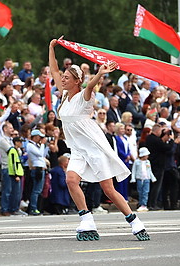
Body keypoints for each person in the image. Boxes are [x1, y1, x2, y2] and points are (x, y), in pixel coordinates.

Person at [49, 37, 149, 241]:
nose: (63, 79)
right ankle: (87, 221)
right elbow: (54, 70)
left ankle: (135, 222)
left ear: (77, 81)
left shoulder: (84, 97)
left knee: (108, 189)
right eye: (64, 76)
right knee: (71, 179)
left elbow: (89, 86)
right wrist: (52, 48)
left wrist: (100, 73)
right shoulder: (64, 96)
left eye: (68, 77)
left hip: (94, 147)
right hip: (77, 149)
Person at [131, 147, 156, 212]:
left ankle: (144, 204)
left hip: (146, 179)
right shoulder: (137, 162)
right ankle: (141, 204)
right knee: (140, 192)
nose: (147, 156)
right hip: (139, 179)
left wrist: (152, 178)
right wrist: (133, 178)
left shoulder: (148, 162)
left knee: (145, 192)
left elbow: (149, 171)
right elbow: (134, 170)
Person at [7, 137, 27, 215]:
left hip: (19, 173)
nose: (21, 143)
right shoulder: (12, 150)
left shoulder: (17, 151)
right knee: (15, 193)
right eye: (20, 142)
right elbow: (13, 163)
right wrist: (16, 175)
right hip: (15, 174)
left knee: (18, 192)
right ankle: (13, 209)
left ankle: (15, 208)